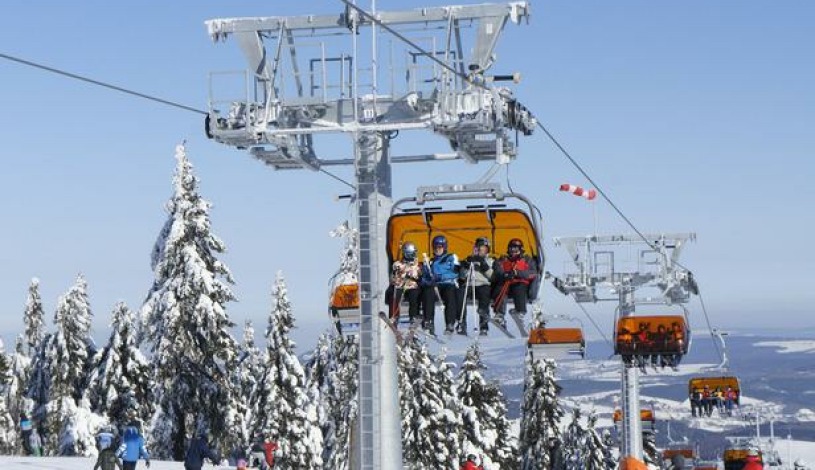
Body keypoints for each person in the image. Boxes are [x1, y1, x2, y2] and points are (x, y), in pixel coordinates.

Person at [492, 239, 537, 326]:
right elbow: (497, 269)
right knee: (500, 287)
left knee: (519, 286)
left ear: (521, 250)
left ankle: (520, 311)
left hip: (520, 284)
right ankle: (499, 314)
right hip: (506, 283)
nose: (513, 251)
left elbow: (533, 273)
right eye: (511, 249)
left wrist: (517, 273)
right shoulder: (503, 260)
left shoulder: (527, 260)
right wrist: (505, 274)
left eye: (516, 249)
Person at [421, 235, 460, 335]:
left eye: (440, 247)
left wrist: (441, 276)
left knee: (450, 294)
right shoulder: (430, 261)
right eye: (435, 247)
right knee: (428, 292)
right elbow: (424, 277)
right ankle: (429, 321)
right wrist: (428, 280)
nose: (438, 249)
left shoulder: (451, 257)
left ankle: (450, 323)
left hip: (448, 283)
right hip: (435, 286)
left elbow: (455, 272)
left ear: (444, 247)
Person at [457, 237, 495, 336]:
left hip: (482, 284)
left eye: (483, 248)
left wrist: (483, 264)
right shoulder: (469, 259)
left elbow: (492, 276)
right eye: (479, 248)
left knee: (484, 294)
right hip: (469, 284)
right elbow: (462, 276)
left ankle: (483, 324)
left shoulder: (490, 261)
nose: (480, 250)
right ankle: (461, 323)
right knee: (460, 294)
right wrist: (465, 265)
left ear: (487, 249)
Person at [389, 241, 422, 324]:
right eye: (411, 254)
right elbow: (393, 276)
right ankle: (394, 316)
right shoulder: (398, 264)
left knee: (414, 296)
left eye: (413, 254)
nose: (413, 256)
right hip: (400, 286)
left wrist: (412, 274)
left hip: (412, 286)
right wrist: (396, 277)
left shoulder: (417, 264)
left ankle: (413, 316)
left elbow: (418, 274)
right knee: (395, 295)